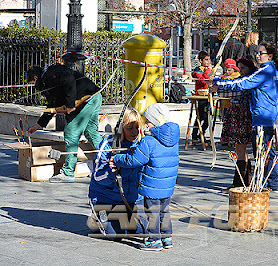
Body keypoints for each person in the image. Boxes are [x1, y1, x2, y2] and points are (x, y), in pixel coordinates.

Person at [210, 42, 278, 193]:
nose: (258, 55)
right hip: (266, 115)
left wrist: (218, 82)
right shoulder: (271, 70)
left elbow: (242, 83)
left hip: (262, 117)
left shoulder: (266, 71)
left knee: (261, 152)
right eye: (257, 53)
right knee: (266, 151)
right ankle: (273, 183)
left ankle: (261, 185)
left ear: (270, 56)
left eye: (261, 53)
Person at [110, 103, 180, 251]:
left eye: (147, 121)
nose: (145, 125)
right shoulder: (173, 141)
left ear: (154, 122)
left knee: (153, 212)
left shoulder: (149, 141)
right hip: (167, 187)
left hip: (152, 187)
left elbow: (135, 160)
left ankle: (154, 240)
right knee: (164, 211)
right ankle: (167, 238)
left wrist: (117, 159)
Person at [26, 64, 103, 182]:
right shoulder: (49, 78)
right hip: (95, 96)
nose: (35, 86)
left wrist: (70, 104)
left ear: (36, 78)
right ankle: (106, 164)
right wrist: (38, 125)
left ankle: (68, 172)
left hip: (86, 99)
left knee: (71, 132)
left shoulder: (50, 75)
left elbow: (69, 79)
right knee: (91, 132)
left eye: (33, 83)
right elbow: (52, 104)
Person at [87, 108, 147, 240]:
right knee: (116, 235)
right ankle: (98, 217)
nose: (134, 132)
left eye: (137, 127)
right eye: (130, 128)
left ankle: (125, 219)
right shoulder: (107, 145)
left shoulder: (142, 145)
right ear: (120, 128)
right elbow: (97, 177)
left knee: (146, 230)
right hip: (105, 198)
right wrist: (110, 173)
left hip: (132, 199)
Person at [218, 57, 257, 193]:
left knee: (240, 150)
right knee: (241, 151)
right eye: (239, 68)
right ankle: (245, 182)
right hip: (235, 115)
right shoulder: (241, 79)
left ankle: (239, 184)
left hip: (242, 116)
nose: (241, 71)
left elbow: (235, 91)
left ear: (250, 68)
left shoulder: (249, 80)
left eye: (243, 68)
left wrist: (217, 88)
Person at [191, 50, 212, 141]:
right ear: (200, 60)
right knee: (200, 116)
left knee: (209, 117)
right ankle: (194, 135)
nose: (208, 62)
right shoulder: (197, 70)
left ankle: (202, 133)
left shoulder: (208, 70)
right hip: (200, 97)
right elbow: (203, 81)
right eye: (206, 60)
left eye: (209, 59)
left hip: (208, 96)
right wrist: (208, 71)